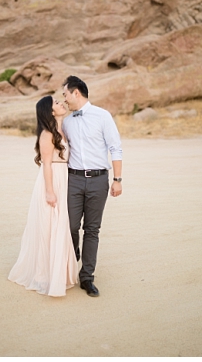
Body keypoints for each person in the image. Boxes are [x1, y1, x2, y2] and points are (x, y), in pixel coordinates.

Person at [8, 95, 79, 296]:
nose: (61, 103)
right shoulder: (47, 134)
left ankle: (61, 273)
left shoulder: (62, 131)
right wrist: (50, 191)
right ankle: (45, 275)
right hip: (52, 180)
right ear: (50, 111)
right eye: (56, 103)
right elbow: (47, 163)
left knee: (61, 225)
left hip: (65, 178)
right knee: (50, 226)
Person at [60, 75, 123, 296]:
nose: (64, 99)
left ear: (76, 92)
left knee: (92, 229)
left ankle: (86, 277)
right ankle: (73, 253)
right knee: (70, 225)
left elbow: (115, 147)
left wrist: (117, 179)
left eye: (65, 94)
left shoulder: (103, 116)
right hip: (74, 179)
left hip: (99, 180)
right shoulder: (66, 122)